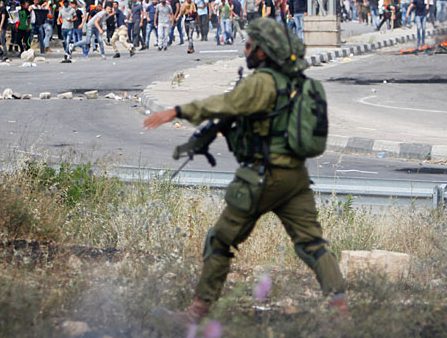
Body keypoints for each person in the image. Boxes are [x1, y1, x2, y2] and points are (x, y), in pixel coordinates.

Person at [144, 17, 347, 329]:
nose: (246, 49)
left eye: (250, 45)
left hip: (264, 177)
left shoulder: (262, 82)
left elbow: (225, 103)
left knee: (219, 240)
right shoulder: (300, 84)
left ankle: (196, 314)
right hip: (296, 177)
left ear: (263, 52)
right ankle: (341, 313)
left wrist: (178, 111)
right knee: (313, 244)